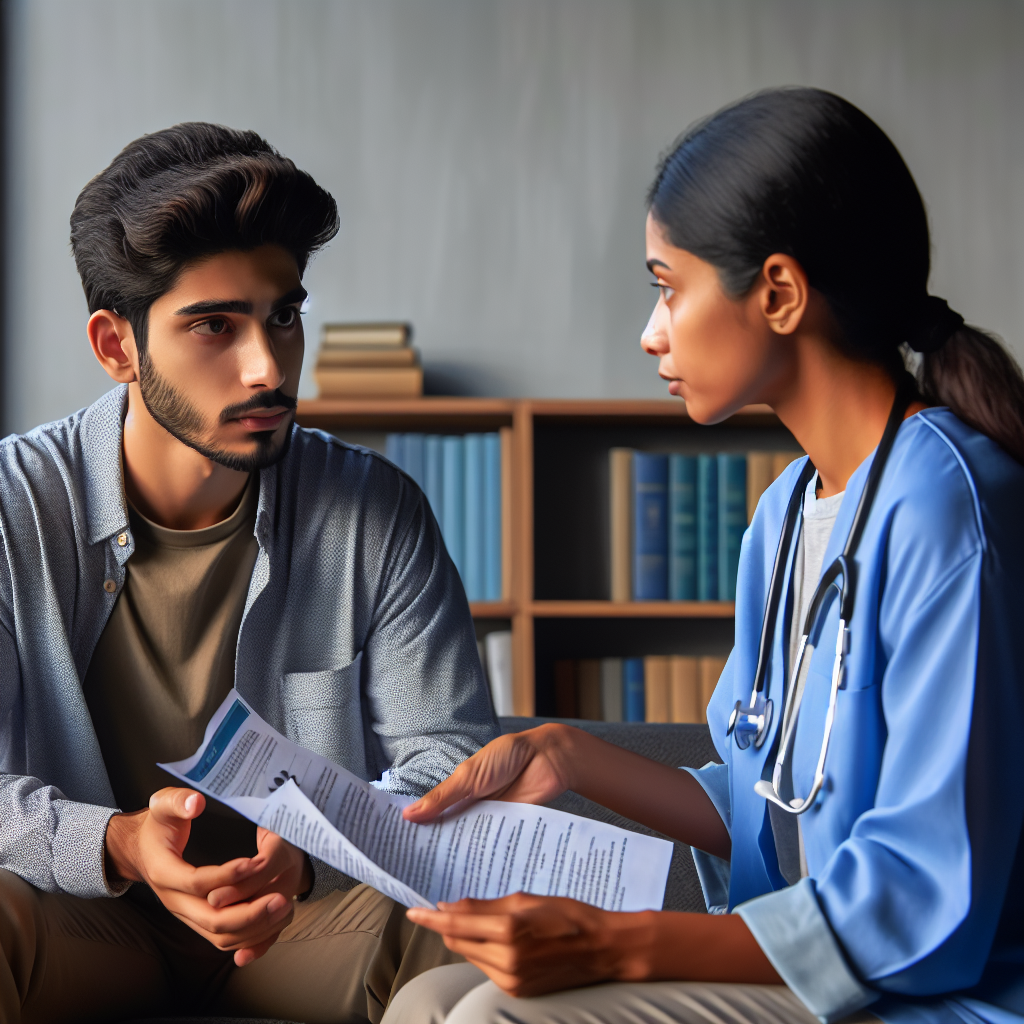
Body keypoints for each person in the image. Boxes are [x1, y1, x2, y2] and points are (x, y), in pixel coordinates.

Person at [380, 89, 1024, 1024]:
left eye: (669, 286)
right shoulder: (785, 514)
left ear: (779, 293)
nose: (651, 331)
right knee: (431, 996)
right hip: (816, 972)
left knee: (488, 1018)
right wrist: (571, 753)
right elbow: (766, 804)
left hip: (938, 996)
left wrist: (608, 944)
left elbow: (924, 898)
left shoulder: (950, 508)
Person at [0, 123, 498, 1023]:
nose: (268, 365)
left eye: (283, 315)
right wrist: (114, 844)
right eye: (213, 328)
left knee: (468, 918)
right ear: (117, 346)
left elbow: (450, 761)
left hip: (301, 927)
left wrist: (309, 851)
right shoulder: (11, 508)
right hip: (84, 926)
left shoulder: (376, 511)